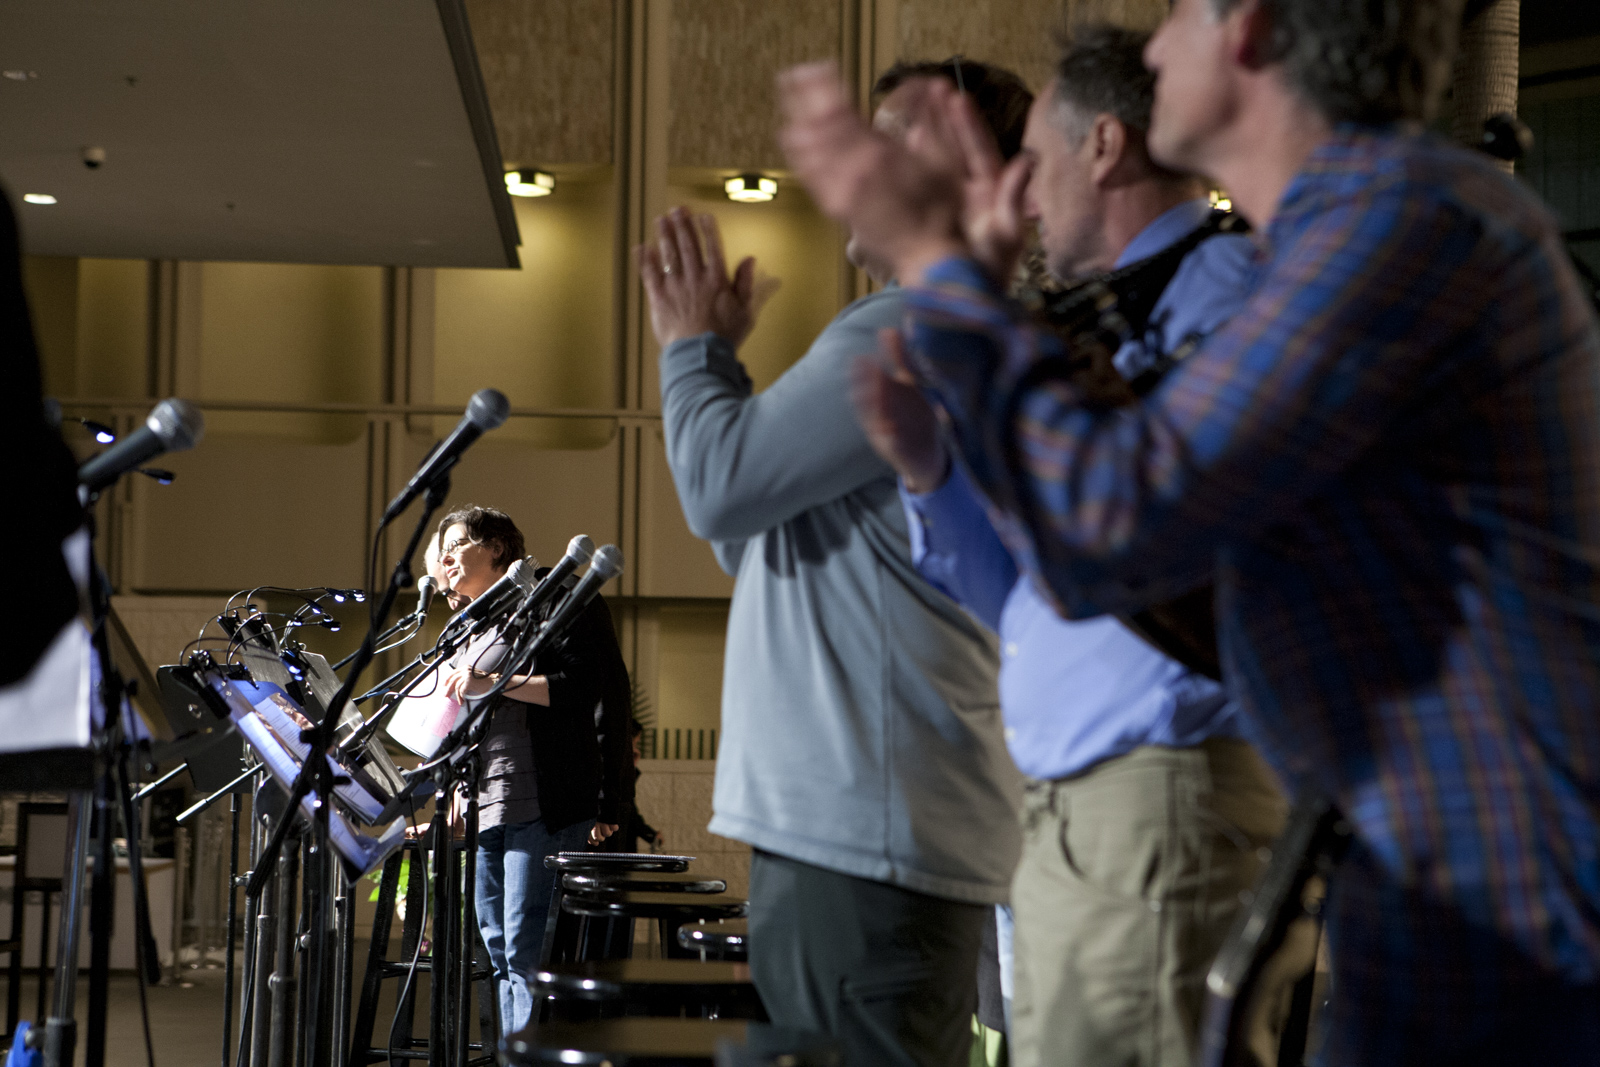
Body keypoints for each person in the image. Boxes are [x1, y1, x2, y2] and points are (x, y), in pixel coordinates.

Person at [775, 0, 1600, 1062]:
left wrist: (943, 266)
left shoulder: (1397, 220)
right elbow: (1092, 558)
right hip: (1431, 874)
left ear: (1248, 29)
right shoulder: (1348, 227)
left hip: (1499, 889)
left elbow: (1113, 525)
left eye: (1175, 18)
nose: (1152, 50)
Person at [850, 26, 1288, 1067]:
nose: (1026, 200)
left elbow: (1157, 543)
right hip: (1081, 805)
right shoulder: (1087, 319)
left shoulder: (1224, 288)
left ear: (1102, 147)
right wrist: (929, 469)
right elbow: (1029, 590)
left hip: (1161, 787)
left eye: (1035, 166)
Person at [635, 60, 1032, 1067]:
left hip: (866, 826)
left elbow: (719, 488)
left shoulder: (908, 325)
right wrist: (716, 368)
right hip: (869, 823)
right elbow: (746, 530)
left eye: (888, 136)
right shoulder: (941, 322)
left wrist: (687, 350)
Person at [431, 505, 631, 1036]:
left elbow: (588, 687)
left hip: (545, 798)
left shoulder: (558, 596)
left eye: (457, 544)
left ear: (497, 547)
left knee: (525, 945)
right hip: (487, 803)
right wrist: (453, 785)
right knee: (496, 946)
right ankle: (513, 1052)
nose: (447, 557)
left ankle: (531, 1052)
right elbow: (461, 718)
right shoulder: (477, 619)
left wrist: (612, 800)